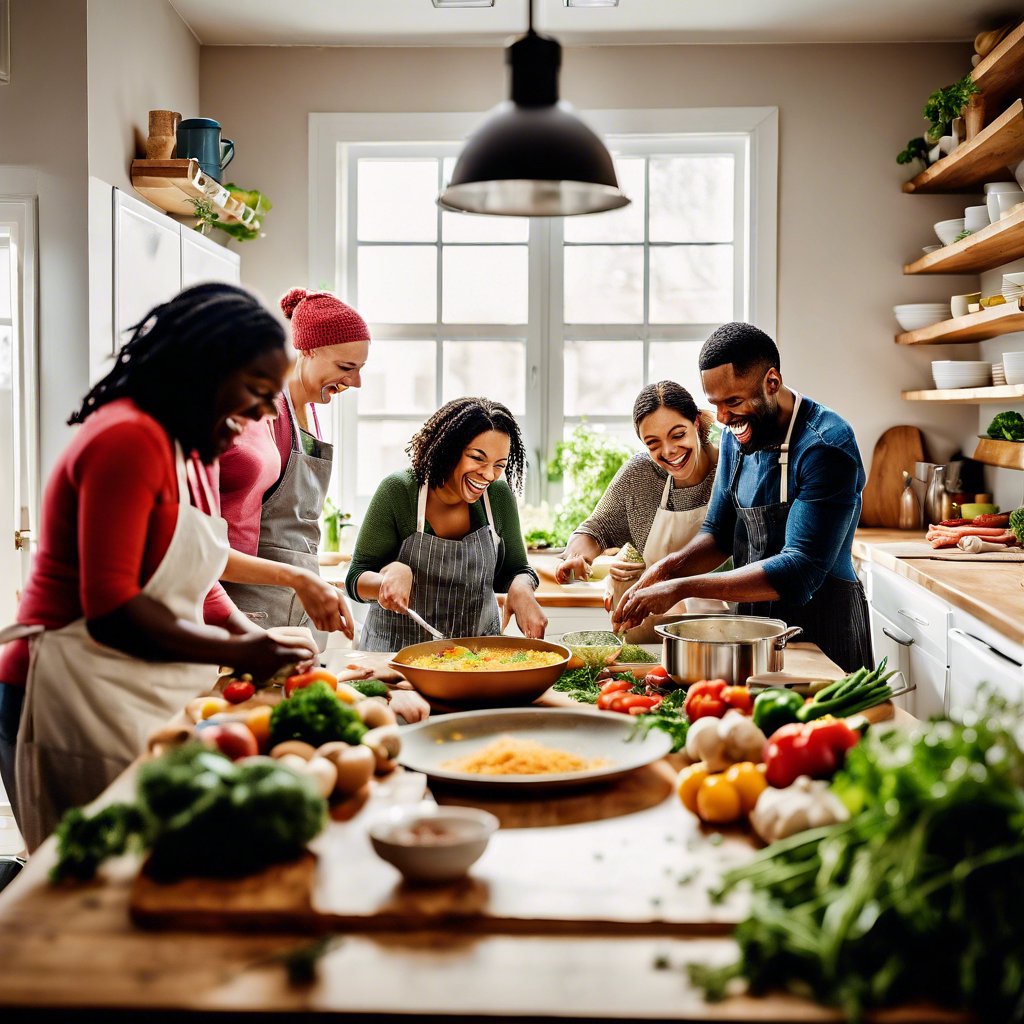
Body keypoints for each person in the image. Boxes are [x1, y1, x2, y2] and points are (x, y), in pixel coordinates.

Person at [0, 284, 318, 851]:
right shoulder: (127, 437)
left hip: (119, 689)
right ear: (202, 368)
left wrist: (254, 634)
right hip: (58, 697)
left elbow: (195, 579)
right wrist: (242, 653)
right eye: (257, 390)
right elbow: (113, 612)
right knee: (91, 884)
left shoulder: (188, 449)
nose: (269, 410)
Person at [613, 322, 873, 672]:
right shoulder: (739, 435)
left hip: (824, 631)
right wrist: (665, 568)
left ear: (771, 382)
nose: (722, 418)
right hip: (754, 632)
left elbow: (800, 570)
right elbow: (718, 533)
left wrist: (680, 588)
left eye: (733, 401)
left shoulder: (825, 446)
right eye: (715, 404)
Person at [218, 288, 367, 651]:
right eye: (346, 367)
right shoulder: (262, 418)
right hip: (251, 607)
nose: (355, 382)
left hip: (297, 610)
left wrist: (318, 585)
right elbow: (217, 545)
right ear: (307, 350)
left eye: (359, 370)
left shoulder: (311, 415)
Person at [347, 397, 547, 651]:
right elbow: (355, 578)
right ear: (448, 449)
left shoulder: (497, 497)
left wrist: (522, 587)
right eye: (477, 458)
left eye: (499, 465)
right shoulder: (399, 491)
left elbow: (517, 569)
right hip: (395, 659)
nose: (488, 474)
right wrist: (388, 578)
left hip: (476, 658)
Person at [554, 381, 723, 642]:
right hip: (649, 631)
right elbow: (596, 529)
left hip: (721, 633)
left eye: (678, 435)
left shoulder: (729, 470)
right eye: (653, 443)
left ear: (697, 423)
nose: (669, 451)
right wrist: (578, 558)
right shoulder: (640, 474)